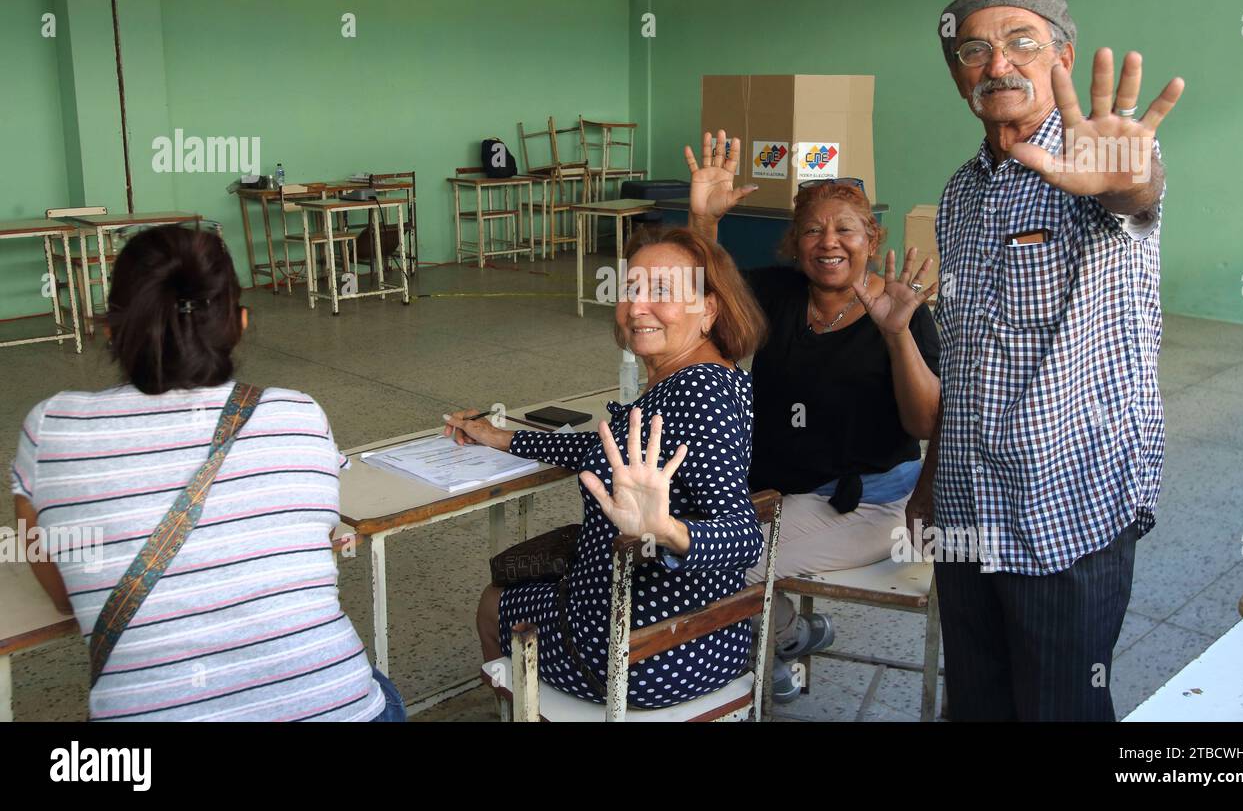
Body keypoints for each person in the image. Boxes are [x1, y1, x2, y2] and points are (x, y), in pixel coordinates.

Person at [909, 0, 1184, 720]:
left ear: (1062, 57)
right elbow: (964, 355)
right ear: (959, 73)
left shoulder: (1099, 165)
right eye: (974, 50)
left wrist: (1128, 180)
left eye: (1021, 43)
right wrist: (933, 475)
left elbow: (1137, 194)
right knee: (976, 705)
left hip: (1066, 505)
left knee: (1060, 707)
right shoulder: (961, 192)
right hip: (966, 500)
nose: (997, 64)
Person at [10, 224, 404, 722]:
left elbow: (63, 595)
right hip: (342, 711)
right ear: (238, 323)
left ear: (109, 328)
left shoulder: (51, 428)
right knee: (379, 689)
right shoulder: (299, 413)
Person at [444, 226, 767, 709]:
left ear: (709, 310)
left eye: (663, 292)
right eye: (631, 289)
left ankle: (515, 712)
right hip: (704, 638)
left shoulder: (699, 393)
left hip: (639, 655)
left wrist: (668, 530)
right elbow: (604, 453)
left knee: (493, 604)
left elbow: (744, 536)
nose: (637, 306)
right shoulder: (711, 376)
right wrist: (500, 437)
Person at [684, 138, 941, 703]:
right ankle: (793, 634)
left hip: (875, 502)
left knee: (725, 563)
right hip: (781, 490)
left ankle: (760, 653)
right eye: (812, 231)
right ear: (794, 244)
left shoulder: (902, 311)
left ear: (871, 240)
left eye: (846, 229)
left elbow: (924, 423)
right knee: (692, 543)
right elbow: (697, 293)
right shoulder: (778, 293)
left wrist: (896, 335)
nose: (829, 243)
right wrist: (703, 220)